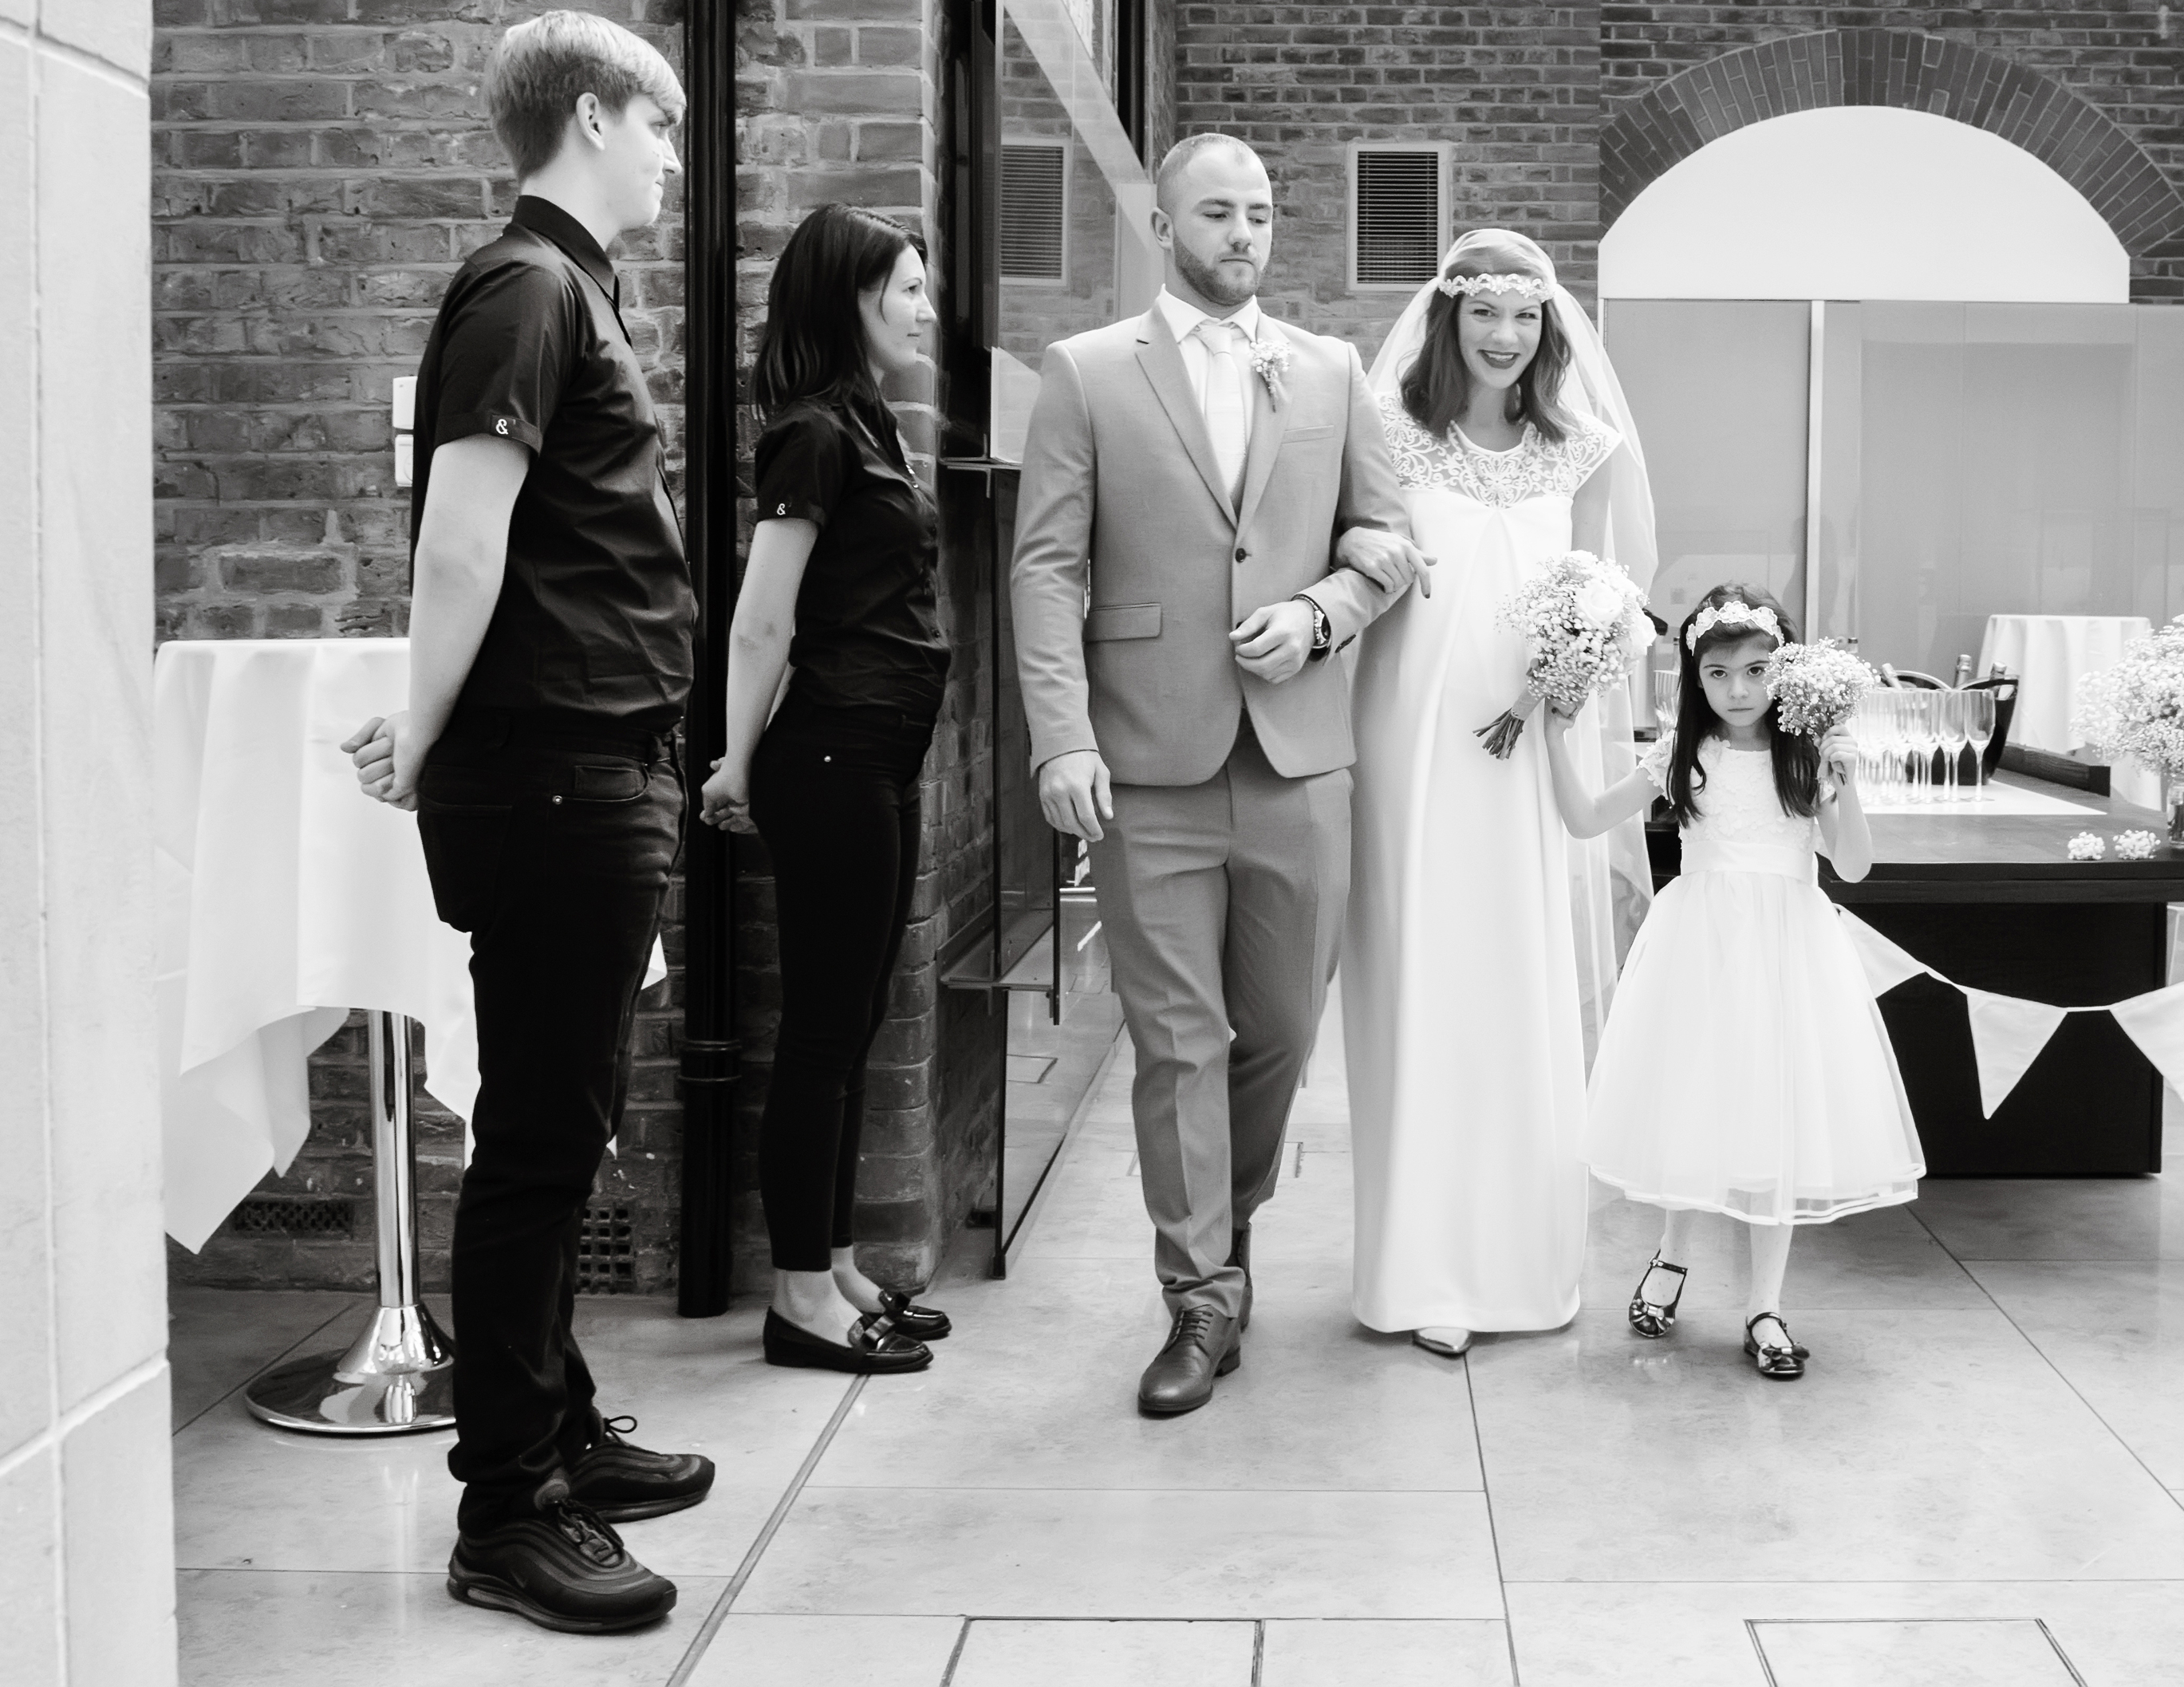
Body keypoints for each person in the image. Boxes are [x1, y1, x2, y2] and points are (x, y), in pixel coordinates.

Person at [341, 12, 712, 1632]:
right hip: (556, 772)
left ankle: (552, 1422)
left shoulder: (564, 291)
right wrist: (418, 735)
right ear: (589, 116)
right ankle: (507, 1508)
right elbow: (460, 541)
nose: (673, 158)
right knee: (541, 1144)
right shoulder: (523, 290)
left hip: (593, 762)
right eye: (660, 127)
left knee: (567, 1125)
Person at [1011, 132, 1428, 1417]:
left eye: (1257, 214)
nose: (1243, 234)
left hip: (1302, 757)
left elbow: (1389, 539)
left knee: (1283, 1032)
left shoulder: (1331, 368)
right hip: (1148, 760)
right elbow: (1044, 569)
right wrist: (1063, 736)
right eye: (1216, 213)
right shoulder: (1085, 375)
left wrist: (1322, 615)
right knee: (1178, 1039)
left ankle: (1224, 1226)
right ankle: (1198, 1294)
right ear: (1162, 224)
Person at [1333, 229, 1661, 1355]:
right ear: (1447, 317)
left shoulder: (1583, 453)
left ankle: (1515, 1268)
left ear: (1550, 328)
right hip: (1408, 738)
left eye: (1526, 316)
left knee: (1512, 978)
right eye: (1485, 313)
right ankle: (1421, 1271)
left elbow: (1619, 603)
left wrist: (1579, 662)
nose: (1505, 335)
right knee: (1417, 980)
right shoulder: (1389, 440)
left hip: (1522, 752)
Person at [1541, 584, 1925, 1379]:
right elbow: (1583, 818)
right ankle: (1672, 1253)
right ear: (1695, 675)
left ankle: (1764, 1302)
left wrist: (1841, 778)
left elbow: (1851, 864)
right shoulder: (1683, 754)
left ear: (1782, 672)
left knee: (1774, 1116)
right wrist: (1554, 729)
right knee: (1694, 1096)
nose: (1739, 690)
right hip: (1698, 943)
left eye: (1755, 670)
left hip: (1788, 947)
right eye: (1718, 673)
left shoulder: (1805, 757)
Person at [696, 205, 952, 1374]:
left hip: (878, 755)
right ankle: (799, 1296)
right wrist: (738, 759)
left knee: (850, 1023)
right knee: (819, 1032)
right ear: (851, 297)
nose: (923, 308)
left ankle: (838, 1262)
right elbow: (763, 618)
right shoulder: (809, 435)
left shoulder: (865, 424)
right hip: (832, 755)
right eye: (906, 287)